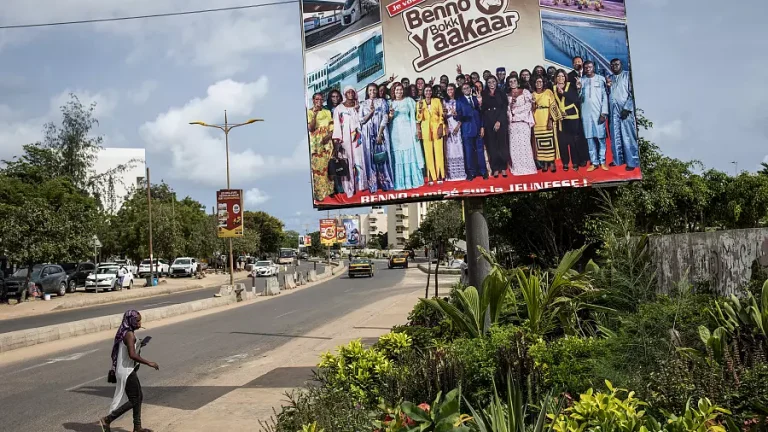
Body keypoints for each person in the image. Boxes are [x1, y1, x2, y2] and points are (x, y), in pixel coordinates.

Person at [100, 310, 159, 432]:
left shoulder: (127, 332)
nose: (139, 323)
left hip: (126, 370)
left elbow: (129, 350)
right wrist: (149, 363)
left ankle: (137, 427)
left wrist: (139, 344)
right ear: (131, 320)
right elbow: (132, 355)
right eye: (137, 321)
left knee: (138, 396)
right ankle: (107, 419)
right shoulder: (129, 335)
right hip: (126, 371)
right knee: (134, 399)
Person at [388, 83, 425, 190]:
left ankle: (412, 182)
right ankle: (400, 184)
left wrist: (418, 129)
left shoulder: (409, 100)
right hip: (395, 132)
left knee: (410, 153)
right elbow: (388, 120)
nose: (399, 92)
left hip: (408, 130)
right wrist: (390, 115)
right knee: (398, 154)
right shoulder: (390, 103)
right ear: (393, 92)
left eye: (400, 90)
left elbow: (416, 115)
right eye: (396, 90)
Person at [360, 83, 395, 193]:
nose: (372, 92)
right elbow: (361, 120)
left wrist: (380, 134)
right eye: (370, 90)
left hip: (381, 132)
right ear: (367, 92)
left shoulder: (382, 101)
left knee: (382, 158)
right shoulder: (363, 104)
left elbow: (385, 117)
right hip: (367, 133)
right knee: (370, 159)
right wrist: (370, 112)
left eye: (374, 90)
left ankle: (386, 184)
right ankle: (373, 186)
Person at [606, 58, 639, 170]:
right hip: (613, 110)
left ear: (621, 64)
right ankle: (618, 160)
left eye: (617, 64)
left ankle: (632, 162)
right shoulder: (609, 78)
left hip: (625, 110)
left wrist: (627, 108)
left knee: (628, 136)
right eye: (612, 64)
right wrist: (607, 87)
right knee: (615, 136)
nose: (614, 66)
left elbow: (632, 93)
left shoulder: (627, 75)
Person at [553, 69, 589, 171]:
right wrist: (558, 114)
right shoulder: (553, 88)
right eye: (558, 76)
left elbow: (575, 99)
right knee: (562, 142)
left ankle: (575, 162)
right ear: (555, 78)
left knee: (573, 142)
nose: (561, 78)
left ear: (565, 77)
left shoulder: (571, 86)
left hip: (573, 117)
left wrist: (563, 92)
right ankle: (565, 163)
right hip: (561, 118)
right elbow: (553, 104)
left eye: (563, 76)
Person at [332, 86, 364, 197]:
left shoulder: (358, 106)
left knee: (358, 161)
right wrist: (337, 141)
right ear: (344, 94)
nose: (350, 94)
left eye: (352, 92)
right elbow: (337, 125)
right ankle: (348, 189)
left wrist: (358, 109)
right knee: (347, 162)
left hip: (357, 139)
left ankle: (360, 187)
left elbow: (362, 121)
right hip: (344, 139)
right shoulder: (339, 109)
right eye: (348, 92)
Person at [579, 61, 610, 171]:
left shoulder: (601, 79)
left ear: (594, 67)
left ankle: (602, 161)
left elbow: (604, 97)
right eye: (586, 67)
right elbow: (579, 98)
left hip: (598, 114)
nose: (588, 69)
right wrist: (579, 89)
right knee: (590, 139)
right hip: (586, 114)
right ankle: (594, 162)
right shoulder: (581, 80)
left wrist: (604, 113)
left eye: (590, 67)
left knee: (601, 138)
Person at [456, 82, 487, 180]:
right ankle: (471, 173)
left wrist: (482, 127)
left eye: (468, 88)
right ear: (462, 90)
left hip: (478, 128)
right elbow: (459, 116)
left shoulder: (476, 98)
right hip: (467, 130)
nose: (466, 89)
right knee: (469, 152)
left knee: (480, 151)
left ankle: (483, 171)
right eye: (464, 88)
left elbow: (482, 113)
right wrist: (455, 115)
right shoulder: (459, 101)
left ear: (470, 89)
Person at [507, 76, 538, 176]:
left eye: (514, 81)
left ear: (518, 82)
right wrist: (511, 107)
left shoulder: (525, 92)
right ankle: (517, 168)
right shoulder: (507, 95)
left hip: (523, 122)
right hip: (513, 124)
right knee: (514, 146)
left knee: (525, 145)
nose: (512, 83)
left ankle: (528, 168)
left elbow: (528, 106)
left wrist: (515, 111)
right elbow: (507, 110)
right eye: (510, 81)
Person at [307, 92, 334, 201]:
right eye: (316, 99)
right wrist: (315, 114)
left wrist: (329, 136)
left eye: (320, 99)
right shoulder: (309, 112)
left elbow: (332, 126)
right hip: (316, 143)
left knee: (329, 167)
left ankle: (330, 193)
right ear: (313, 101)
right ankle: (319, 195)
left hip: (327, 141)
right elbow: (311, 128)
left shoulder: (327, 111)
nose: (319, 101)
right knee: (318, 169)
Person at [481, 76, 509, 178]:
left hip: (500, 121)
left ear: (496, 82)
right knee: (492, 146)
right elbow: (482, 110)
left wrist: (499, 121)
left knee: (502, 145)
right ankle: (495, 168)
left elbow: (504, 108)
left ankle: (503, 167)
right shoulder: (484, 94)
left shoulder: (501, 93)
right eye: (489, 82)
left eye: (493, 81)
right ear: (487, 83)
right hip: (488, 121)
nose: (491, 83)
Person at [416, 85, 446, 184]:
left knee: (439, 152)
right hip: (426, 130)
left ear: (431, 92)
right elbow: (419, 118)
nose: (428, 92)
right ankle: (431, 177)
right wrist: (420, 109)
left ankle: (440, 175)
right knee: (428, 153)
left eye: (429, 90)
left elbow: (442, 114)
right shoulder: (419, 103)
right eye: (426, 91)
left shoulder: (437, 101)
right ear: (423, 92)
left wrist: (441, 126)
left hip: (437, 128)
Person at [532, 76, 560, 172]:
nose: (538, 84)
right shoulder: (532, 94)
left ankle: (551, 162)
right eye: (537, 82)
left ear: (543, 83)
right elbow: (531, 109)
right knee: (540, 143)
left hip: (546, 117)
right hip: (537, 120)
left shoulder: (548, 92)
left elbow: (553, 106)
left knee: (549, 142)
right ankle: (544, 163)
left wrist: (550, 120)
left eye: (540, 82)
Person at [442, 84, 465, 181]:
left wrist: (458, 125)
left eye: (452, 89)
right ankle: (451, 174)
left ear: (455, 90)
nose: (450, 90)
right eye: (448, 89)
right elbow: (443, 116)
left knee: (459, 147)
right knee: (450, 149)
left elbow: (463, 114)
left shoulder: (459, 101)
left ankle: (460, 174)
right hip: (449, 125)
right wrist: (445, 115)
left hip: (457, 125)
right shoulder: (443, 102)